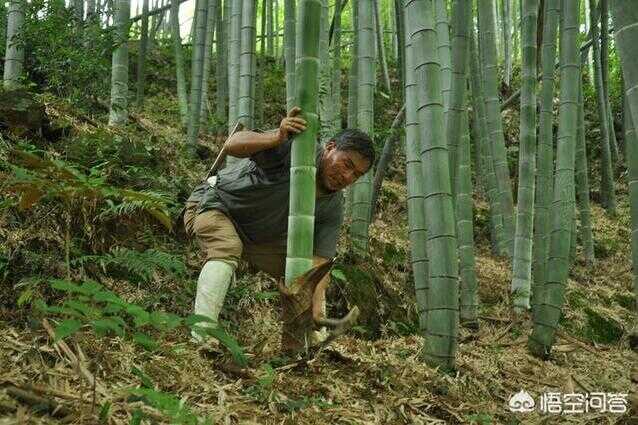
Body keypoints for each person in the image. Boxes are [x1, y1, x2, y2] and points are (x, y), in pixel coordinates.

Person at [183, 107, 374, 338]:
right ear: (330, 147)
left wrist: (315, 307)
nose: (347, 177)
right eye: (347, 165)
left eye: (356, 175)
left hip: (258, 236)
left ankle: (308, 343)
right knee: (227, 247)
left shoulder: (333, 206)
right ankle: (201, 337)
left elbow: (319, 263)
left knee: (302, 270)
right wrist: (276, 136)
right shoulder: (299, 150)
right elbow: (232, 144)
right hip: (216, 204)